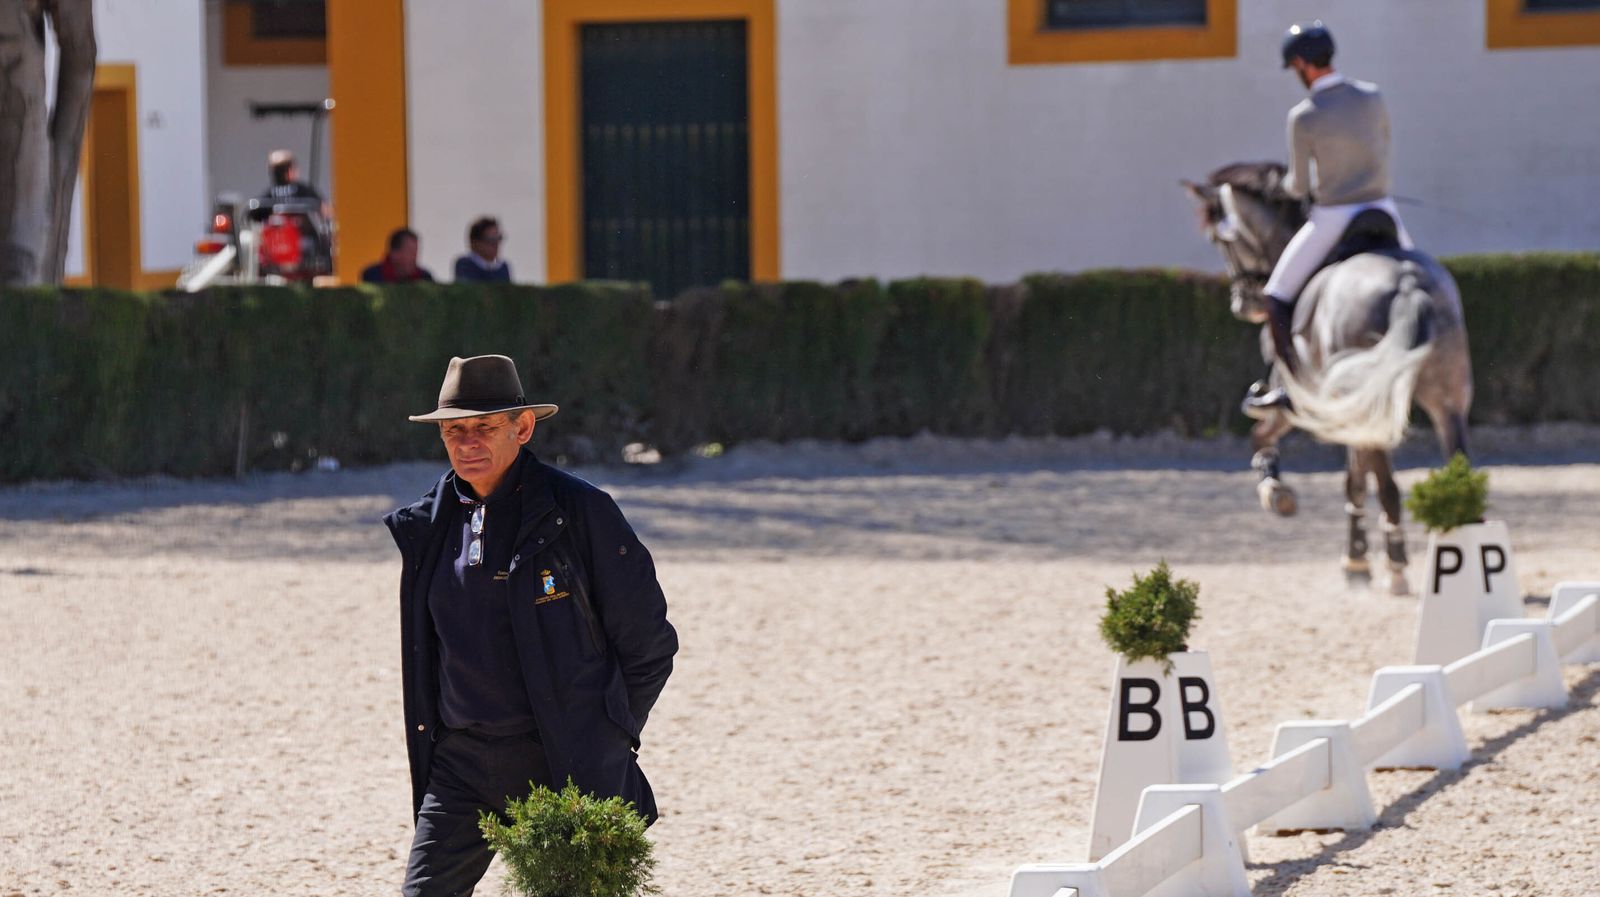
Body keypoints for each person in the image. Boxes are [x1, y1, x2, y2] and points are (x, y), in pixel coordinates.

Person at [383, 354, 677, 897]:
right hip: (459, 767)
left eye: (484, 427)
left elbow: (650, 645)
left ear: (522, 427)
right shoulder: (427, 525)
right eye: (454, 430)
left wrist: (604, 735)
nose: (467, 442)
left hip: (561, 764)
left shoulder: (584, 511)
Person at [1245, 20, 1415, 416]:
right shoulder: (1373, 97)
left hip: (1334, 215)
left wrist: (1282, 185)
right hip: (1382, 207)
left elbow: (1300, 185)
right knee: (1417, 282)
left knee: (1275, 296)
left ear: (1303, 64)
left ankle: (1290, 387)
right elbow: (1382, 145)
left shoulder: (1304, 116)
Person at [361, 227, 436, 284]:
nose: (414, 257)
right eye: (410, 252)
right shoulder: (373, 276)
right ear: (394, 253)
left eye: (416, 252)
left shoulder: (424, 277)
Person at [452, 216, 512, 283]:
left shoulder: (503, 267)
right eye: (491, 239)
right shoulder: (465, 264)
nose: (496, 244)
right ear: (475, 242)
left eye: (498, 239)